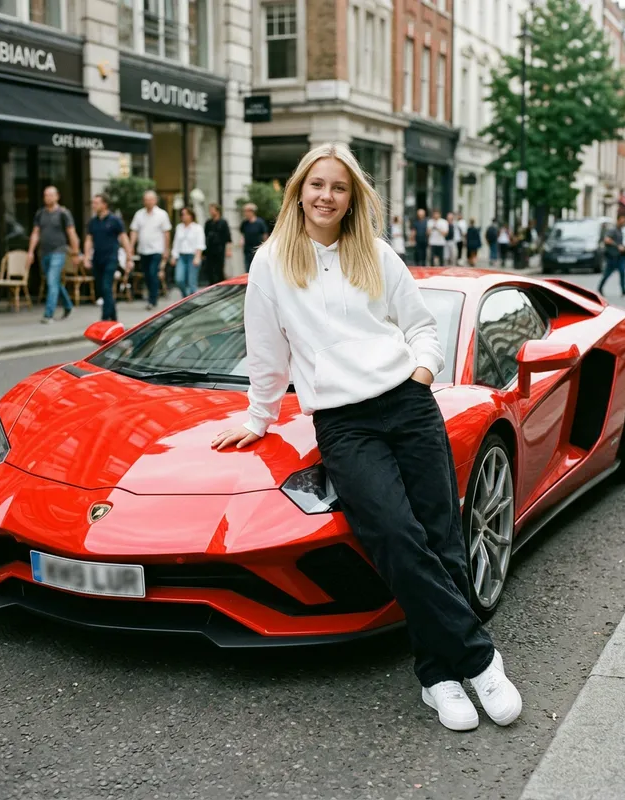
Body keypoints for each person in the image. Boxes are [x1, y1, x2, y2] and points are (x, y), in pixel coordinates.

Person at [210, 141, 522, 733]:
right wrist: (256, 418)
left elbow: (422, 326)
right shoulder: (271, 263)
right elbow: (267, 352)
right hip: (344, 423)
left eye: (339, 187)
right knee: (396, 536)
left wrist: (422, 374)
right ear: (298, 191)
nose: (326, 196)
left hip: (408, 404)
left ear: (353, 198)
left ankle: (436, 675)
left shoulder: (376, 254)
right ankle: (480, 659)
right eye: (317, 185)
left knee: (442, 537)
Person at [27, 186, 81, 324]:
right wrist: (30, 252)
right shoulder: (40, 214)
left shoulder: (63, 213)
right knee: (54, 282)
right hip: (44, 253)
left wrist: (75, 253)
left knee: (52, 281)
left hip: (59, 251)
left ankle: (48, 314)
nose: (48, 198)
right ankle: (68, 305)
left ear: (57, 196)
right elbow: (35, 233)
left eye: (51, 195)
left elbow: (71, 233)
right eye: (46, 195)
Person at [84, 193, 133, 322]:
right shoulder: (93, 222)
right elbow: (88, 240)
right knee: (101, 289)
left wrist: (129, 257)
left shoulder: (115, 220)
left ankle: (105, 318)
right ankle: (114, 317)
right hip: (97, 259)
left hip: (111, 258)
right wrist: (87, 257)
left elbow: (123, 238)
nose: (93, 205)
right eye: (93, 203)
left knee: (106, 286)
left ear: (104, 204)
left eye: (96, 203)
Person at [130, 190, 171, 311]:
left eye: (150, 199)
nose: (148, 202)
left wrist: (166, 249)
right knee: (147, 275)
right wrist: (131, 246)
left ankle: (152, 299)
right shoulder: (139, 214)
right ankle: (151, 295)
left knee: (153, 273)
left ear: (155, 200)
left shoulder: (162, 214)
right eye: (146, 200)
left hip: (156, 249)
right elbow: (134, 231)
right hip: (143, 250)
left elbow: (166, 233)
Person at [170, 207, 206, 297]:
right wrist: (174, 256)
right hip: (181, 256)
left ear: (191, 216)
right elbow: (176, 243)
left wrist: (197, 256)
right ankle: (185, 297)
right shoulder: (179, 227)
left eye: (186, 214)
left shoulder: (197, 228)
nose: (184, 216)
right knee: (179, 279)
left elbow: (200, 243)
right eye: (182, 214)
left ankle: (192, 299)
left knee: (191, 282)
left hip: (192, 256)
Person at [598, 213, 625, 297]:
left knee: (622, 272)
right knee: (607, 274)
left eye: (624, 221)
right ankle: (600, 288)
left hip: (620, 256)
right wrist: (617, 246)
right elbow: (607, 240)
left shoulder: (621, 230)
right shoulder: (612, 230)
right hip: (612, 256)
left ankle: (623, 290)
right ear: (618, 220)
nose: (623, 222)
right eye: (622, 220)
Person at [203, 203, 232, 286]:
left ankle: (220, 285)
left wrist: (228, 250)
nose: (211, 211)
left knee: (219, 269)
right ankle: (211, 285)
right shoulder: (208, 223)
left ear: (218, 211)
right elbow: (205, 236)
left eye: (212, 210)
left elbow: (228, 237)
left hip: (220, 249)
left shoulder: (223, 222)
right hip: (209, 250)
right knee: (209, 269)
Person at [240, 203, 268, 272]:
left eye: (247, 211)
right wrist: (242, 240)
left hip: (257, 249)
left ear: (252, 211)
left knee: (257, 268)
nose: (245, 213)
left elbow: (265, 235)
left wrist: (264, 246)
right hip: (247, 249)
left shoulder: (260, 222)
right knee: (248, 268)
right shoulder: (245, 223)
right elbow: (243, 234)